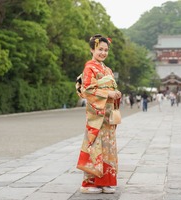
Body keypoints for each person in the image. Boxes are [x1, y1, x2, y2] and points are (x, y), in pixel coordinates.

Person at [75, 34, 121, 194]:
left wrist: (115, 93)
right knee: (95, 145)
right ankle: (89, 183)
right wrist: (108, 94)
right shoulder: (89, 68)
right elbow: (87, 89)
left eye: (106, 50)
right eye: (100, 49)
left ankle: (105, 182)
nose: (103, 52)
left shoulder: (107, 69)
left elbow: (110, 88)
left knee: (108, 146)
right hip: (97, 114)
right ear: (92, 49)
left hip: (107, 115)